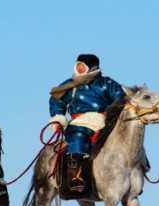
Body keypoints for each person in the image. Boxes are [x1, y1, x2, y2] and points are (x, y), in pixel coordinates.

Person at [48, 54, 124, 191]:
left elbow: (121, 99)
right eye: (78, 65)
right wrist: (58, 117)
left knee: (126, 139)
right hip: (80, 122)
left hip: (104, 121)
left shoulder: (107, 83)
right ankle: (75, 177)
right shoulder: (69, 85)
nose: (79, 68)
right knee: (78, 138)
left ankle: (134, 173)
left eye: (82, 65)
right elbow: (57, 100)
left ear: (91, 67)